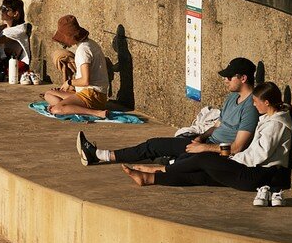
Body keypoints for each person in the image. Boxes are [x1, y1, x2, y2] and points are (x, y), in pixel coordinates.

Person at [121, 82, 292, 204]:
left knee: (204, 159)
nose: (254, 105)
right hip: (253, 171)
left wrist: (230, 159)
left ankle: (158, 169)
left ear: (267, 102)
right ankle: (149, 178)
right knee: (203, 174)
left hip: (260, 175)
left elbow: (258, 155)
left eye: (256, 102)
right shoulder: (269, 119)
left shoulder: (276, 124)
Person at [76, 57, 259, 167]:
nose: (225, 80)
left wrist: (202, 147)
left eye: (229, 77)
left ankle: (99, 155)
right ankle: (171, 158)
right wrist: (201, 137)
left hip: (216, 152)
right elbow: (218, 124)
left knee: (153, 145)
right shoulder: (231, 98)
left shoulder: (250, 107)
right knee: (165, 147)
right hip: (206, 143)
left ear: (243, 78)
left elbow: (237, 147)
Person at [42, 15, 109, 118]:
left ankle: (97, 113)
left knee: (56, 109)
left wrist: (69, 82)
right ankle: (70, 106)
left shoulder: (83, 51)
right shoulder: (90, 43)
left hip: (93, 95)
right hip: (88, 93)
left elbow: (85, 81)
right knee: (49, 94)